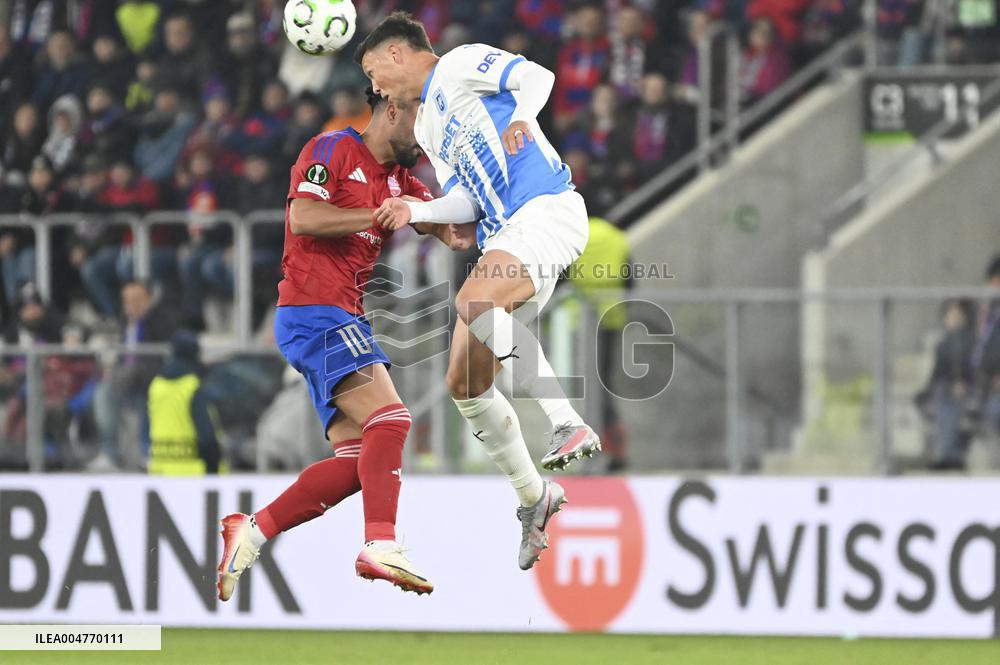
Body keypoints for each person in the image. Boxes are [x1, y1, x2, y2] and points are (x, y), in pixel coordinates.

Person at [358, 12, 603, 571]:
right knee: (463, 383)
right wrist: (416, 209)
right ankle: (534, 498)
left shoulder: (462, 63)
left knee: (472, 302)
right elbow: (465, 201)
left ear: (397, 55)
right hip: (507, 235)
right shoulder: (426, 128)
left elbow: (537, 77)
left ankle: (566, 421)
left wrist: (520, 116)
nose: (376, 89)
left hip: (545, 208)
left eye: (375, 73)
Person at [216, 88, 460, 602]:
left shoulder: (401, 181)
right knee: (392, 420)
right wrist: (377, 214)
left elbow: (455, 232)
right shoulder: (332, 150)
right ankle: (380, 544)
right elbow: (303, 218)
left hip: (338, 316)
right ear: (393, 110)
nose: (429, 133)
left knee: (357, 461)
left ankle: (252, 529)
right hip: (313, 310)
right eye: (424, 118)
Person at [147, 330, 222, 475]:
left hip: (159, 470)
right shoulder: (192, 386)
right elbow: (207, 436)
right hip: (192, 473)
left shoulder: (156, 384)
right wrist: (213, 468)